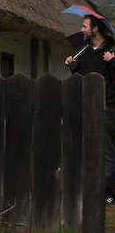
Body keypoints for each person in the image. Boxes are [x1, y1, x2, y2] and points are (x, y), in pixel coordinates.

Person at [65, 15, 115, 204]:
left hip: (108, 107)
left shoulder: (111, 50)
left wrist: (112, 62)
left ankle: (109, 192)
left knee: (108, 151)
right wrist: (74, 68)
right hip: (88, 106)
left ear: (95, 29)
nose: (81, 30)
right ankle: (92, 186)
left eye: (84, 26)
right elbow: (86, 79)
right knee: (89, 147)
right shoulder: (84, 52)